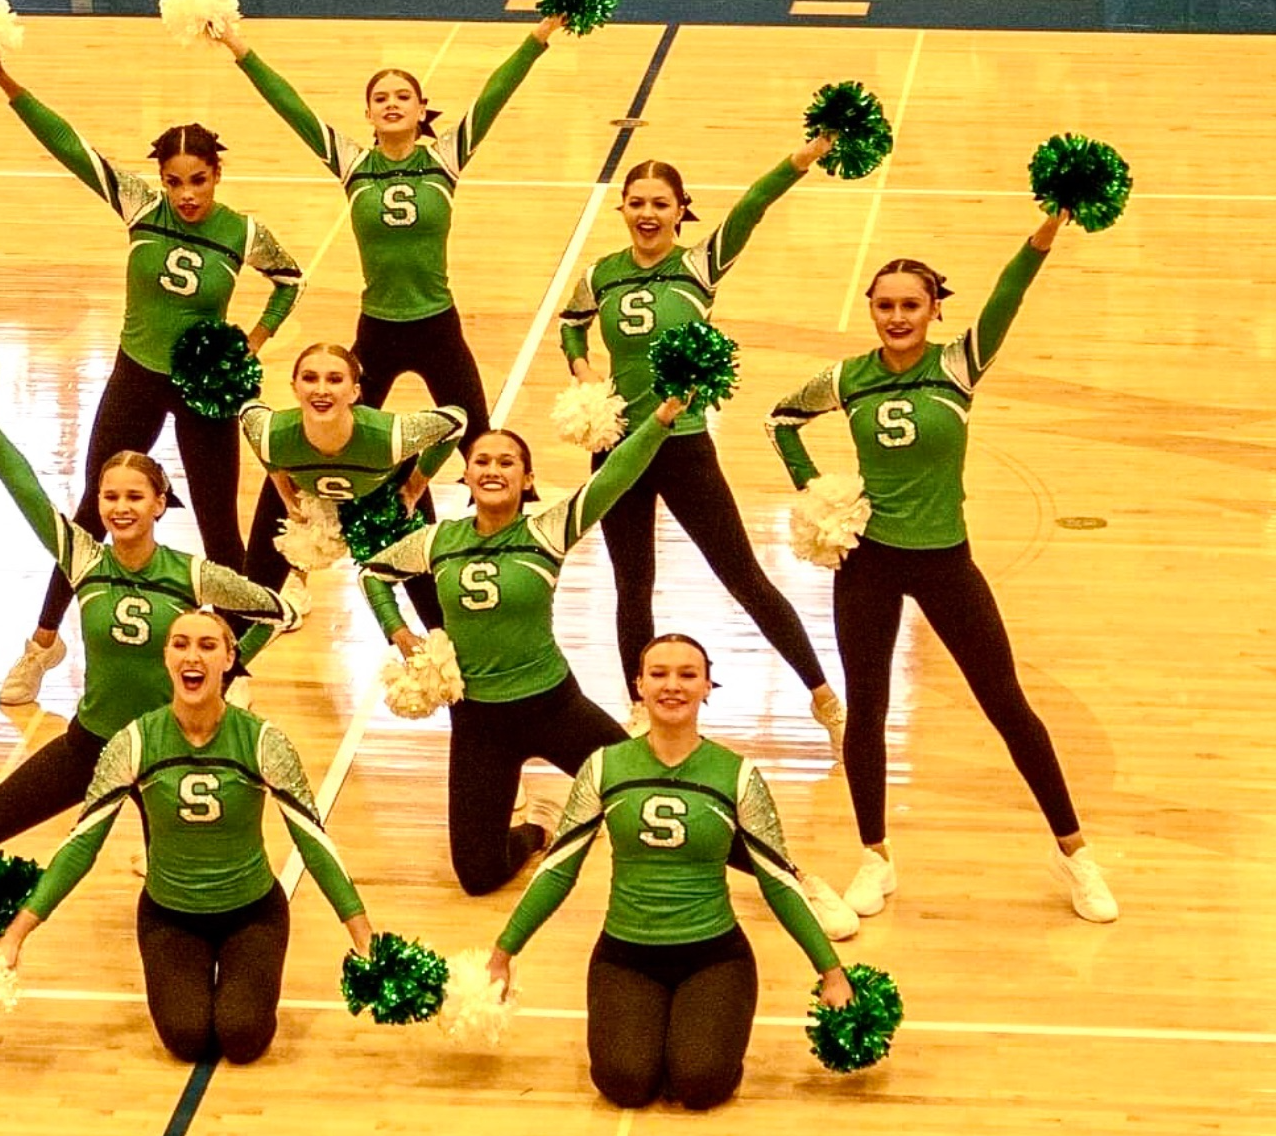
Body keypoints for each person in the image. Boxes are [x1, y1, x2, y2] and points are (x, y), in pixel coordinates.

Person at [764, 210, 1118, 923]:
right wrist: (817, 491)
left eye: (910, 306)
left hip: (944, 562)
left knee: (1006, 703)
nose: (896, 317)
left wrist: (1046, 226)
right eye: (885, 305)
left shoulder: (956, 364)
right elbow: (779, 418)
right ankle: (874, 857)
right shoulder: (847, 378)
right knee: (867, 709)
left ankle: (1072, 851)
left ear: (931, 311)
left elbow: (1009, 293)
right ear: (870, 308)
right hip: (867, 563)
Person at [0, 400, 297, 919]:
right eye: (110, 496)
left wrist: (222, 676)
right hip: (91, 744)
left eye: (136, 497)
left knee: (191, 878)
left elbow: (278, 614)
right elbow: (26, 491)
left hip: (165, 749)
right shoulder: (84, 558)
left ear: (160, 503)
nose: (121, 507)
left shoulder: (193, 574)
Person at [0, 54, 306, 709]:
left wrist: (250, 341)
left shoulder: (241, 231)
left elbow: (289, 279)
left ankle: (226, 664)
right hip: (135, 376)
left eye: (199, 181)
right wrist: (7, 81)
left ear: (217, 175)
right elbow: (68, 144)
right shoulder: (137, 204)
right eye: (175, 181)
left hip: (204, 388)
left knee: (218, 529)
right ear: (159, 177)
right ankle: (43, 644)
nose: (186, 195)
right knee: (91, 514)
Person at [485, 634, 853, 1110]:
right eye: (658, 674)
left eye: (687, 674)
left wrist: (831, 971)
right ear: (639, 685)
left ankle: (703, 1035)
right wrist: (502, 954)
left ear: (707, 687)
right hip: (625, 955)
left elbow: (777, 881)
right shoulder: (604, 767)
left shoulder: (735, 774)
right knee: (625, 1084)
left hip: (714, 956)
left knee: (700, 1085)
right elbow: (558, 871)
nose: (672, 685)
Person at [559, 142, 845, 744]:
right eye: (636, 203)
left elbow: (753, 206)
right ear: (623, 209)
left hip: (684, 445)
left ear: (680, 209)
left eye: (660, 204)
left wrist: (805, 154)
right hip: (618, 446)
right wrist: (583, 368)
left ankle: (822, 696)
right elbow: (570, 322)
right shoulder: (600, 273)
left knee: (743, 576)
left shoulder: (699, 266)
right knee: (632, 585)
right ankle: (640, 712)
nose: (647, 213)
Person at [0, 610, 372, 1065]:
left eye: (208, 645)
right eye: (180, 644)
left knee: (242, 1037)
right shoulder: (136, 742)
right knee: (187, 1039)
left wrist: (363, 935)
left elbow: (312, 839)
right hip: (169, 916)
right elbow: (81, 843)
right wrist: (16, 934)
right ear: (167, 657)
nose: (192, 656)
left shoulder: (261, 741)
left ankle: (243, 982)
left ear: (229, 658)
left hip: (252, 914)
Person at [357, 399, 687, 896]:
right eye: (481, 462)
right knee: (477, 876)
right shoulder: (437, 540)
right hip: (479, 723)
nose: (492, 469)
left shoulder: (546, 531)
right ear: (465, 478)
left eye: (506, 462)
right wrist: (399, 633)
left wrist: (660, 422)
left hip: (553, 705)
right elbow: (375, 573)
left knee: (649, 789)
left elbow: (612, 479)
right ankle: (538, 829)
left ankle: (788, 877)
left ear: (527, 480)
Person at [211, 14, 568, 463]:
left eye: (403, 96)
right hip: (377, 328)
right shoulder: (353, 164)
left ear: (422, 109)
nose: (392, 104)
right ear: (368, 113)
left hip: (438, 326)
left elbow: (494, 95)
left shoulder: (445, 159)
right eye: (380, 98)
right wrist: (237, 47)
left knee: (479, 442)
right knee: (338, 439)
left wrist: (539, 36)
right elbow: (292, 107)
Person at [240, 341, 465, 629]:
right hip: (305, 486)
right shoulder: (274, 434)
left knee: (430, 600)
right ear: (294, 387)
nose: (321, 389)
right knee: (252, 596)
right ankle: (227, 670)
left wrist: (415, 486)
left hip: (383, 491)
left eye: (335, 379)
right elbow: (248, 417)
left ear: (355, 391)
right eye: (309, 378)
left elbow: (456, 421)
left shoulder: (389, 437)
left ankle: (459, 666)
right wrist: (282, 486)